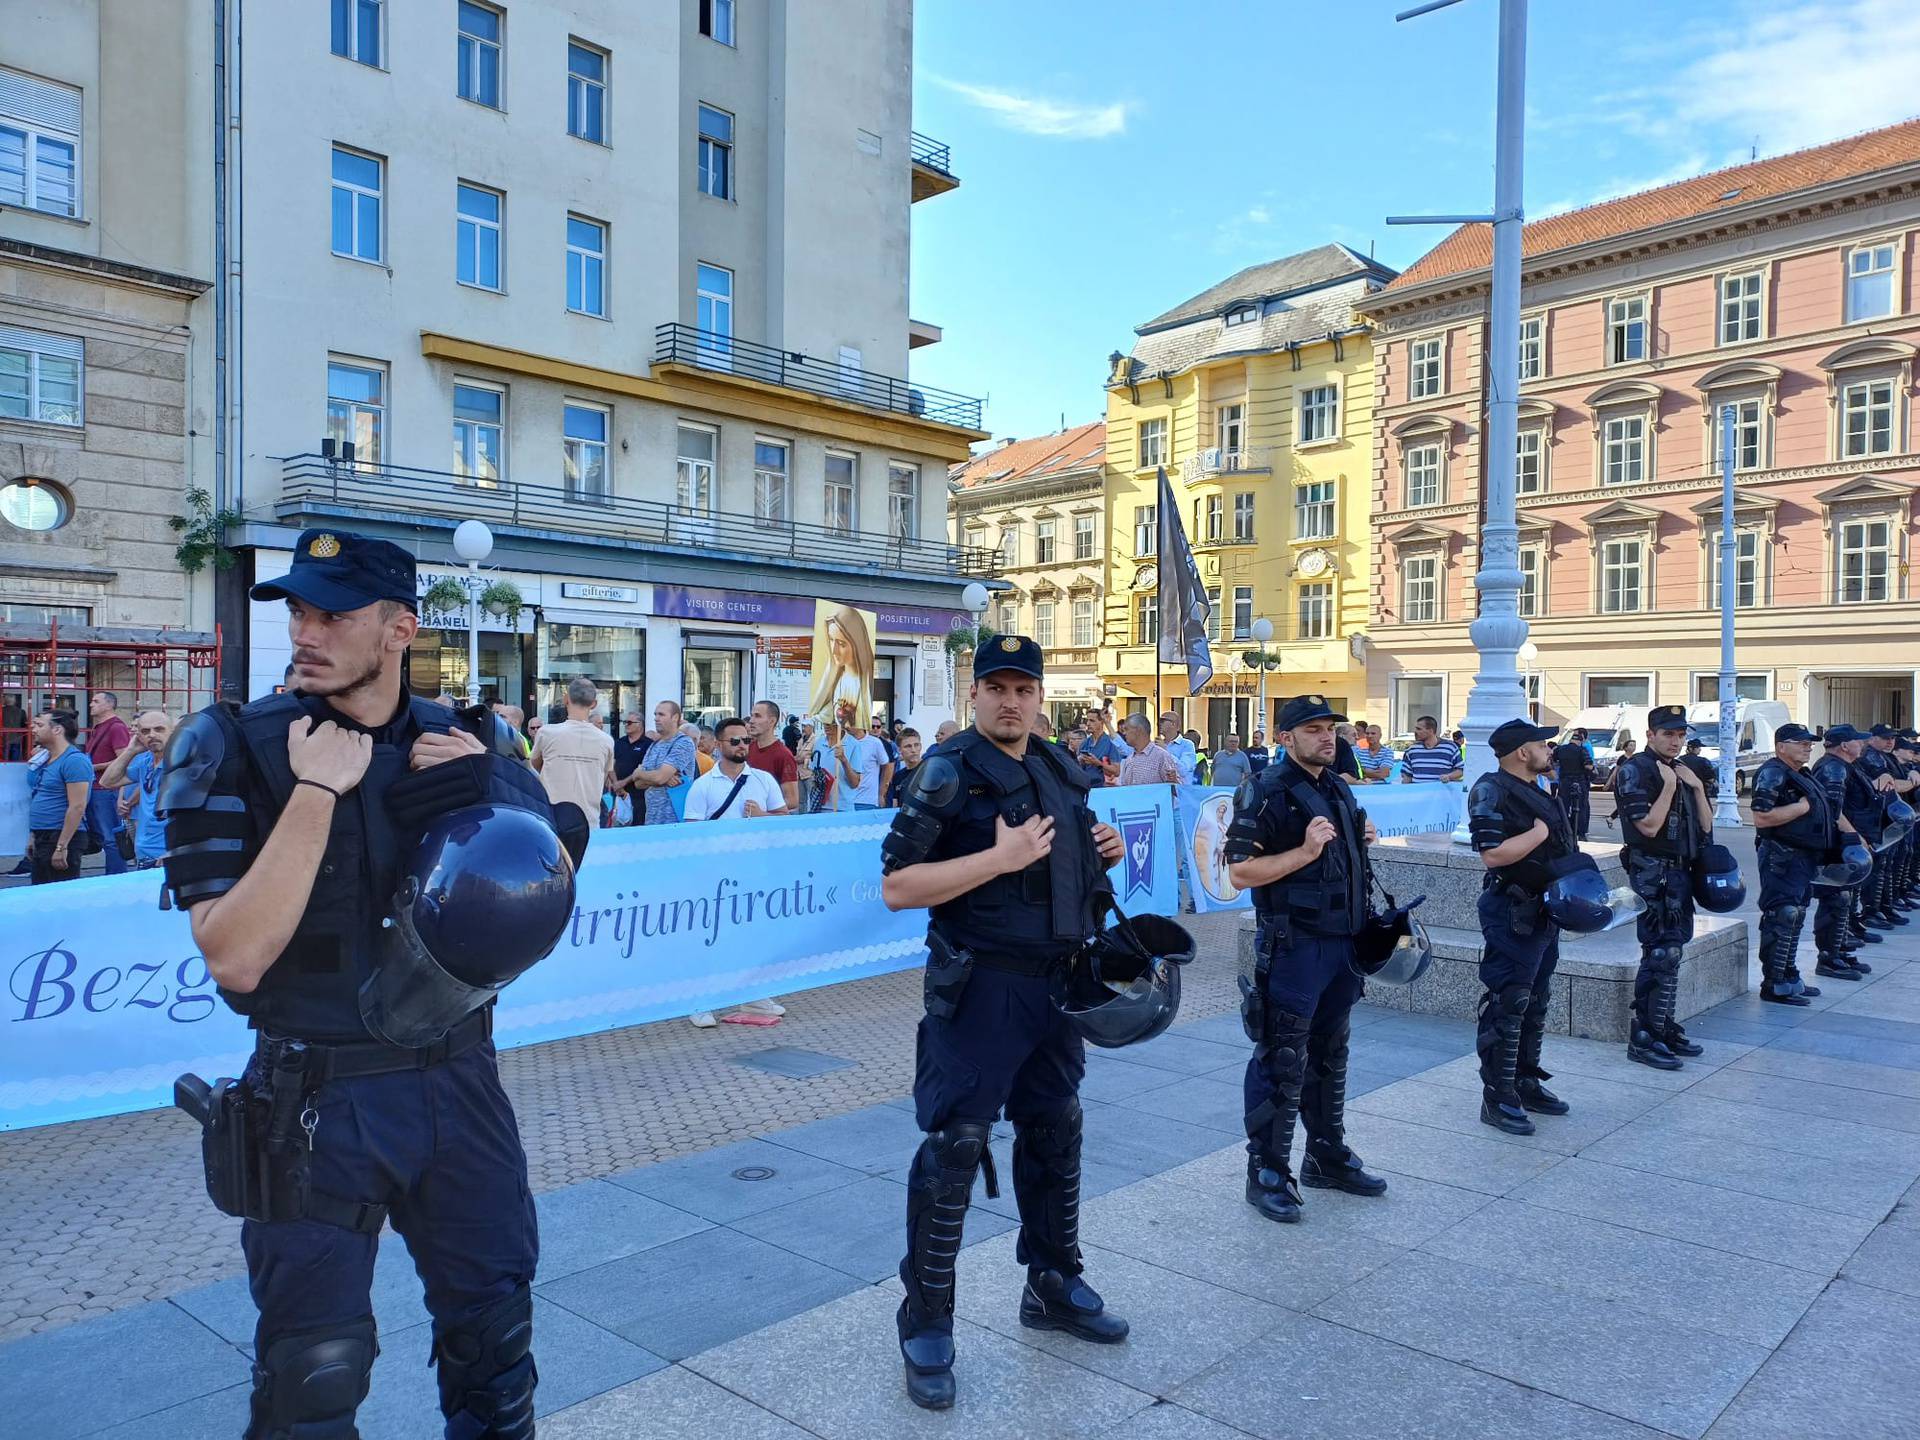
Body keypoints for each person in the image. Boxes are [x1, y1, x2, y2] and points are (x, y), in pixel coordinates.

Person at [158, 528, 585, 1439]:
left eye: (333, 614)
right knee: (315, 1375)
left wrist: (498, 783)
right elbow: (233, 957)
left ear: (399, 630)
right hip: (315, 1100)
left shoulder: (464, 740)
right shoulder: (232, 744)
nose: (304, 633)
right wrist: (316, 793)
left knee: (496, 1347)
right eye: (298, 612)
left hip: (460, 1084)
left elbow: (546, 875)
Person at [880, 635, 1128, 1411]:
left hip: (1054, 988)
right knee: (955, 1149)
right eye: (997, 687)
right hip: (980, 988)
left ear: (1039, 696)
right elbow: (896, 886)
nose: (1011, 701)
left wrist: (1101, 857)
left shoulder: (1058, 765)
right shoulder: (947, 771)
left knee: (1056, 1130)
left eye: (1024, 688)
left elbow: (1066, 866)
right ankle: (926, 1320)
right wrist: (998, 857)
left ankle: (1053, 1281)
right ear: (976, 695)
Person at [1224, 695, 1386, 1223]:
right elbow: (1240, 873)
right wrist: (1306, 852)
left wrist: (1357, 842)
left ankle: (1326, 1155)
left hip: (1342, 945)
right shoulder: (1266, 789)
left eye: (1330, 729)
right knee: (1282, 1057)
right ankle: (1267, 1171)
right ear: (1284, 736)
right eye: (1312, 729)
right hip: (1295, 946)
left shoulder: (1336, 785)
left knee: (1330, 1053)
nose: (1326, 737)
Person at [1467, 719, 1580, 1133]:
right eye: (1542, 743)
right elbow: (1492, 855)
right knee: (1509, 1001)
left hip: (1545, 909)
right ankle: (1497, 1095)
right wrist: (1540, 833)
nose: (1549, 749)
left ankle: (1525, 1079)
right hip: (1511, 910)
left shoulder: (1540, 788)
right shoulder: (1490, 789)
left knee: (1536, 999)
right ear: (1521, 752)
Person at [1614, 706, 1713, 1069]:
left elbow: (1705, 826)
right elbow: (1649, 827)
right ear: (1650, 734)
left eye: (1680, 735)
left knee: (1674, 950)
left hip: (1681, 873)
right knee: (1660, 952)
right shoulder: (1636, 770)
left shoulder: (1684, 770)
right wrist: (1670, 786)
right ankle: (1644, 1035)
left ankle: (1662, 1025)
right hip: (1652, 873)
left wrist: (1697, 787)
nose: (1676, 741)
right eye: (1668, 734)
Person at [1749, 723, 1835, 1005]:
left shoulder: (1802, 774)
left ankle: (1788, 975)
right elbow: (1761, 818)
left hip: (1802, 856)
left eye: (1809, 742)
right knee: (1781, 916)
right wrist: (1801, 807)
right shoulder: (1773, 772)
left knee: (1795, 917)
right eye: (1800, 742)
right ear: (1781, 746)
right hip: (1781, 856)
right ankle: (1774, 984)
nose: (1808, 746)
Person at [1813, 725, 1883, 980]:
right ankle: (1828, 958)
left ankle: (1838, 950)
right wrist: (1856, 837)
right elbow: (1833, 810)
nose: (1862, 745)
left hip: (1847, 844)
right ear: (1844, 745)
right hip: (1839, 845)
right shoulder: (1833, 767)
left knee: (1844, 900)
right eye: (1857, 740)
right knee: (1836, 899)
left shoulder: (1844, 766)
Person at [530, 677, 617, 832]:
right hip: (589, 822)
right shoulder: (606, 741)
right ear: (594, 704)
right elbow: (602, 777)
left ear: (566, 699)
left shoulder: (546, 733)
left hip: (552, 819)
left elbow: (534, 767)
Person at [1853, 724, 1917, 928]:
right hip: (1876, 822)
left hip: (1890, 820)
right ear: (1871, 739)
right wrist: (1913, 782)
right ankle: (1871, 911)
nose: (1890, 742)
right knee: (1877, 868)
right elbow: (1892, 786)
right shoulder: (1871, 757)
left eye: (1892, 738)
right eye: (1885, 738)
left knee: (1890, 865)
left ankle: (1884, 906)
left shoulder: (1885, 757)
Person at [100, 709, 175, 869]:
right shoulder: (145, 761)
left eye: (159, 729)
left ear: (173, 732)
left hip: (168, 856)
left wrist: (177, 850)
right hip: (144, 853)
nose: (152, 735)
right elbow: (107, 781)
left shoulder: (181, 763)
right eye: (145, 731)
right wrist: (130, 750)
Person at [28, 709, 92, 884]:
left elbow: (78, 806)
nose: (34, 729)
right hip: (44, 836)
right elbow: (39, 794)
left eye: (40, 725)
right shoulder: (46, 758)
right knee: (40, 895)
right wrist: (33, 836)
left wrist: (61, 846)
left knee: (59, 897)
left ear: (57, 730)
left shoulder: (74, 760)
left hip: (61, 837)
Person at [684, 718, 788, 821]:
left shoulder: (765, 779)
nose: (742, 745)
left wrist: (761, 815)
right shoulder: (701, 785)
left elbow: (784, 819)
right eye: (735, 741)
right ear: (718, 744)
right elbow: (693, 830)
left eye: (746, 740)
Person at [84, 689, 133, 874]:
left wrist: (94, 768)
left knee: (111, 838)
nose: (91, 704)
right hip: (97, 787)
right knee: (105, 837)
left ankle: (115, 876)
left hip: (106, 789)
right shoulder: (99, 728)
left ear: (109, 705)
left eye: (96, 701)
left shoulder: (116, 727)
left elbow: (123, 760)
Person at [807, 605, 876, 726]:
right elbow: (828, 713)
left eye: (841, 643)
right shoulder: (836, 678)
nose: (834, 650)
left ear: (856, 644)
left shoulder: (862, 684)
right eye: (831, 640)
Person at [629, 700, 696, 825]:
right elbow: (638, 784)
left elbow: (659, 777)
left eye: (661, 714)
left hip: (675, 821)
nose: (656, 718)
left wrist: (639, 773)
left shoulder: (683, 743)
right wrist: (659, 778)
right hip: (651, 820)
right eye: (655, 715)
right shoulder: (654, 745)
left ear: (675, 717)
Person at [819, 715, 888, 810]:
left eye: (851, 722)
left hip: (865, 801)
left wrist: (881, 793)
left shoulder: (873, 743)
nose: (847, 726)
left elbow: (887, 766)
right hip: (827, 804)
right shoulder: (819, 742)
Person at [747, 699, 801, 813]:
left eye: (757, 716)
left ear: (772, 721)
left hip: (768, 824)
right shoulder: (747, 749)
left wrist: (762, 810)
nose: (751, 721)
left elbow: (792, 800)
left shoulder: (783, 755)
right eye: (751, 716)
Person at [1552, 727, 1595, 841]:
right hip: (1579, 781)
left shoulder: (1560, 749)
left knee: (1563, 806)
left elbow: (1553, 760)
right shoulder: (1582, 750)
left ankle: (1564, 831)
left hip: (1564, 781)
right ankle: (1581, 833)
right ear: (1580, 741)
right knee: (1581, 807)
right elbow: (1588, 766)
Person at [1116, 713, 1180, 787]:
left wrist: (1174, 781)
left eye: (1126, 729)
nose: (1124, 733)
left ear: (1138, 730)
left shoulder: (1161, 756)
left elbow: (1176, 791)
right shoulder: (1128, 760)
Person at [1074, 708, 1130, 786]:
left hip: (1103, 789)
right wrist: (1079, 761)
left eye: (1092, 721)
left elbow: (1117, 771)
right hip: (1086, 787)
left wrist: (1098, 763)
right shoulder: (1085, 743)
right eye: (1087, 720)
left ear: (1101, 722)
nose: (1088, 723)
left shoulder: (1110, 743)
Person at [1400, 715, 1463, 783]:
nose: (1415, 732)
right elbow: (1407, 776)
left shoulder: (1450, 748)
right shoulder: (1412, 750)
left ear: (1430, 731)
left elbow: (1461, 770)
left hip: (1441, 792)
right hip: (1418, 792)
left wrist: (1449, 776)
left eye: (1419, 729)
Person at [612, 712, 648, 823]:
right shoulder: (619, 742)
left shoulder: (648, 744)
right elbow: (611, 764)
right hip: (617, 794)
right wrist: (616, 783)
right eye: (624, 722)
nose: (626, 725)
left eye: (629, 722)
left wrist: (623, 782)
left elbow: (644, 769)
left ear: (640, 724)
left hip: (637, 795)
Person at [887, 728, 923, 807]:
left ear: (921, 746)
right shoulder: (898, 777)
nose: (913, 750)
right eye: (908, 746)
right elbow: (895, 805)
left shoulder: (930, 770)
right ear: (899, 750)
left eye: (916, 745)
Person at [1159, 713, 1197, 784]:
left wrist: (1165, 750)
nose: (1158, 724)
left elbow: (1183, 770)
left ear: (1173, 724)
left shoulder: (1187, 745)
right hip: (1161, 791)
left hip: (1180, 792)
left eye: (1162, 721)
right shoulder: (1156, 745)